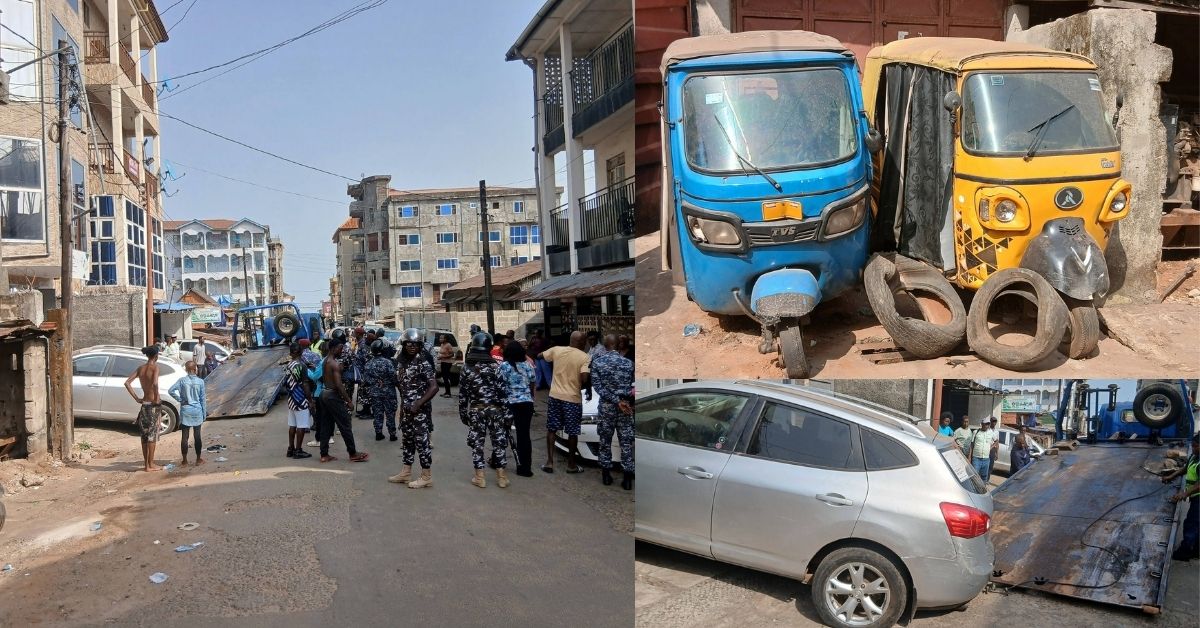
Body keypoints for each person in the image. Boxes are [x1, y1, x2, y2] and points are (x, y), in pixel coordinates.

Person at [458, 333, 512, 488]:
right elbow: (503, 393)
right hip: (496, 411)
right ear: (489, 348)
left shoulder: (466, 369)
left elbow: (463, 396)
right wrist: (508, 415)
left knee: (477, 443)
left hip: (476, 410)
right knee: (499, 443)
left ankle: (479, 477)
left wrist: (463, 414)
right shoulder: (497, 367)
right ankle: (502, 477)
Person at [390, 328, 439, 488]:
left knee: (422, 442)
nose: (411, 346)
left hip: (420, 412)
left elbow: (434, 387)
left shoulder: (423, 362)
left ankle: (427, 476)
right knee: (407, 440)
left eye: (415, 344)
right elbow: (401, 385)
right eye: (408, 343)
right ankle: (406, 472)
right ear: (403, 344)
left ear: (420, 346)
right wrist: (404, 406)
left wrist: (419, 403)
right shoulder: (402, 362)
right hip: (407, 410)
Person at [538, 330, 591, 474]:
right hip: (572, 399)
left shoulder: (556, 350)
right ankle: (571, 465)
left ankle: (549, 463)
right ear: (580, 342)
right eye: (585, 341)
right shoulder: (585, 357)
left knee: (551, 429)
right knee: (572, 432)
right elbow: (585, 379)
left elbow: (540, 355)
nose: (586, 343)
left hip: (555, 396)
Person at [591, 334, 635, 490]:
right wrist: (622, 400)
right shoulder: (629, 363)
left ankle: (606, 476)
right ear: (618, 345)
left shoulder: (597, 363)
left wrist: (615, 400)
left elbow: (598, 388)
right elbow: (632, 388)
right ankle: (627, 479)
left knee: (605, 441)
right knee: (626, 443)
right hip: (625, 408)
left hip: (607, 408)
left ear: (605, 346)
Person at [317, 340, 368, 463]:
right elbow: (339, 385)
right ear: (333, 348)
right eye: (340, 349)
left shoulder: (325, 361)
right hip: (332, 396)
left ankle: (324, 454)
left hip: (324, 394)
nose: (342, 351)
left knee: (326, 425)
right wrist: (348, 400)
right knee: (345, 424)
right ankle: (353, 453)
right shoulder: (334, 364)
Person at [499, 339, 537, 478]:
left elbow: (500, 385)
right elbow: (532, 383)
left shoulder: (504, 366)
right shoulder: (528, 365)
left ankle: (498, 461)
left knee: (503, 432)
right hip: (526, 403)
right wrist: (530, 398)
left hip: (510, 403)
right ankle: (525, 467)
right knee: (524, 435)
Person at [123, 346, 163, 472]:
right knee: (152, 435)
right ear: (156, 356)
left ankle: (147, 464)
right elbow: (155, 383)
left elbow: (127, 383)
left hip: (144, 404)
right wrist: (156, 398)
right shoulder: (155, 368)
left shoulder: (141, 368)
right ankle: (150, 465)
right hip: (153, 405)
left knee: (144, 436)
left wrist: (137, 398)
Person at [1163, 434, 1199, 561]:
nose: (1193, 448)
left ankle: (1185, 552)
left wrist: (1184, 493)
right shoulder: (1195, 456)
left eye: (1195, 446)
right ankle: (1196, 550)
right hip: (1195, 496)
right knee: (1196, 524)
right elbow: (1185, 469)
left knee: (1191, 524)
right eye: (1192, 446)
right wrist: (1171, 476)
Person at [168, 361, 207, 466]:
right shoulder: (200, 382)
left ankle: (184, 460)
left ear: (186, 369)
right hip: (197, 410)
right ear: (195, 369)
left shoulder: (182, 381)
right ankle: (198, 459)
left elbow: (171, 390)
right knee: (197, 436)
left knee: (185, 437)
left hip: (186, 410)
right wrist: (204, 413)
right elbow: (203, 399)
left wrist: (180, 399)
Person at [364, 339, 399, 442]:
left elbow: (366, 380)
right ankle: (392, 434)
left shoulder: (368, 364)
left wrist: (375, 382)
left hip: (375, 393)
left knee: (377, 413)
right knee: (390, 413)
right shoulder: (388, 363)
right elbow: (393, 377)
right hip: (389, 393)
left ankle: (378, 433)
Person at [284, 342, 314, 459]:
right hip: (300, 398)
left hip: (291, 398)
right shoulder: (302, 366)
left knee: (292, 425)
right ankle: (298, 450)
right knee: (301, 425)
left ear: (291, 353)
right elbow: (305, 384)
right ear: (301, 352)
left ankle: (290, 448)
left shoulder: (289, 365)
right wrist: (310, 400)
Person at [967, 419, 999, 483]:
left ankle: (982, 491)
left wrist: (990, 447)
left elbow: (996, 441)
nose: (987, 425)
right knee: (974, 476)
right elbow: (972, 445)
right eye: (985, 424)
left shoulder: (991, 433)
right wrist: (969, 456)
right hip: (976, 458)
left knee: (984, 477)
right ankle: (974, 491)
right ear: (982, 424)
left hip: (986, 459)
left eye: (988, 424)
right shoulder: (976, 432)